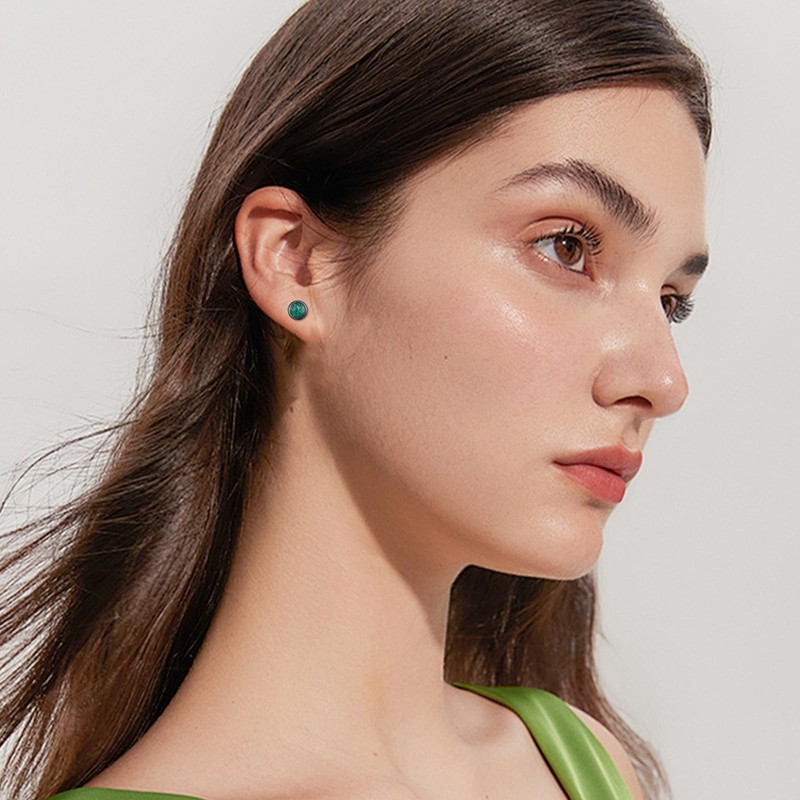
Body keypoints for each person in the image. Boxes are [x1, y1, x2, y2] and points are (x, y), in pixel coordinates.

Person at [0, 0, 711, 798]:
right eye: (566, 247)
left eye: (672, 300)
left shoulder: (579, 764)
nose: (665, 380)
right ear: (297, 260)